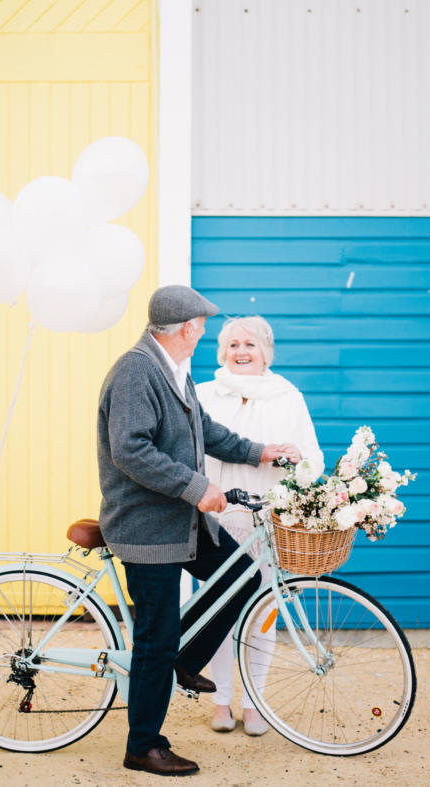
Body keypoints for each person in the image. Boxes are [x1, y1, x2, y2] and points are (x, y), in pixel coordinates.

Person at [98, 286, 293, 777]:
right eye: (202, 325)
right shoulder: (136, 370)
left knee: (243, 579)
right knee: (154, 640)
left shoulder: (172, 370)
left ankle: (186, 658)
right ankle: (143, 745)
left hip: (182, 520)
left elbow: (205, 430)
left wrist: (258, 451)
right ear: (186, 328)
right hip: (148, 528)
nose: (206, 331)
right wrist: (196, 486)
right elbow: (130, 450)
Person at [196, 315, 324, 736]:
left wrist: (293, 457)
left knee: (262, 612)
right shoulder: (203, 394)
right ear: (222, 351)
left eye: (250, 344)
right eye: (233, 345)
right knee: (217, 612)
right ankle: (221, 700)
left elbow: (312, 460)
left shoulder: (286, 396)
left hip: (264, 521)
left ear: (266, 351)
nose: (242, 352)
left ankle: (254, 703)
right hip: (215, 518)